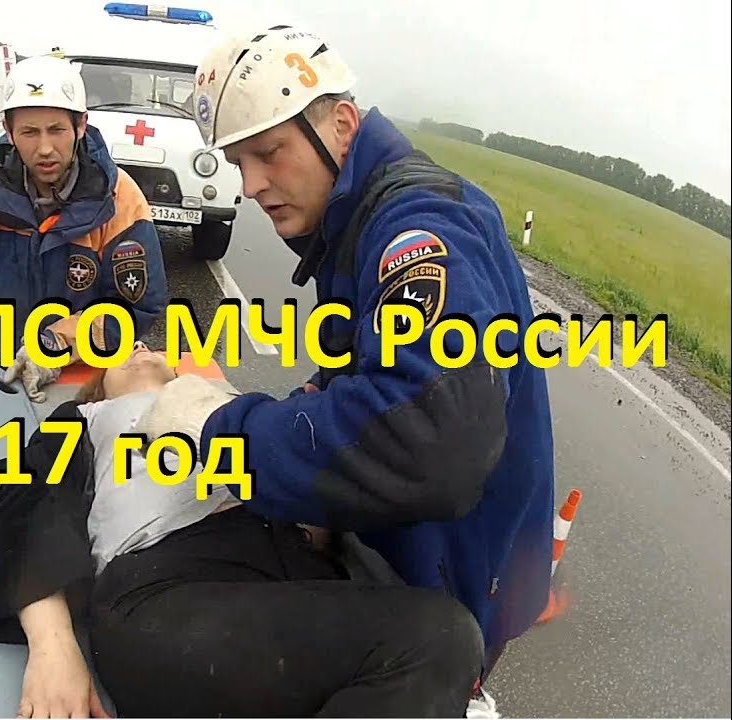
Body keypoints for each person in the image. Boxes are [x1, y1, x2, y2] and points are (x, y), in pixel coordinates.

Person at [134, 25, 556, 716]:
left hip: (449, 582)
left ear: (341, 124)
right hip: (408, 560)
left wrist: (223, 429)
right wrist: (313, 478)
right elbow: (361, 374)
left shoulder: (417, 228)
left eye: (269, 152)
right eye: (237, 162)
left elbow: (428, 437)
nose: (251, 185)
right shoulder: (353, 223)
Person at [0, 344, 484, 718]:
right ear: (98, 391)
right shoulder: (88, 421)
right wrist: (54, 647)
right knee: (437, 638)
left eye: (149, 347)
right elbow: (26, 512)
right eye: (123, 355)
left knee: (432, 645)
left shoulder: (236, 415)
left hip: (283, 583)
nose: (140, 348)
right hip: (167, 591)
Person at [0, 56, 168, 401]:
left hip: (87, 382)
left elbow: (137, 305)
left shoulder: (120, 199)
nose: (45, 148)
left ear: (81, 125)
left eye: (56, 130)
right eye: (29, 133)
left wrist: (55, 343)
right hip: (3, 373)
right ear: (8, 131)